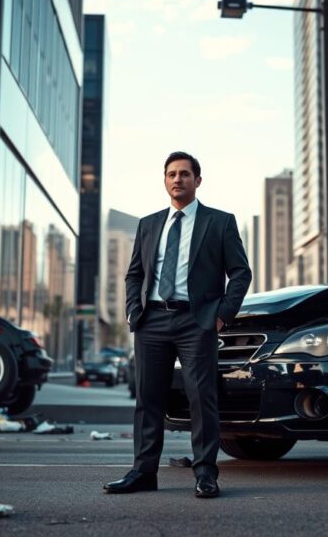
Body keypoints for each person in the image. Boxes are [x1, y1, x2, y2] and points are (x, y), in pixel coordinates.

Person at [104, 151, 251, 499]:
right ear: (165, 180)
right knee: (148, 399)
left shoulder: (220, 222)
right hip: (151, 319)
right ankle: (142, 472)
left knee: (202, 397)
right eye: (171, 174)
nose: (177, 179)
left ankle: (205, 474)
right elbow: (134, 274)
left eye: (185, 174)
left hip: (195, 321)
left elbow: (241, 273)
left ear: (197, 180)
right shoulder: (149, 224)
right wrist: (132, 312)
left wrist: (220, 316)